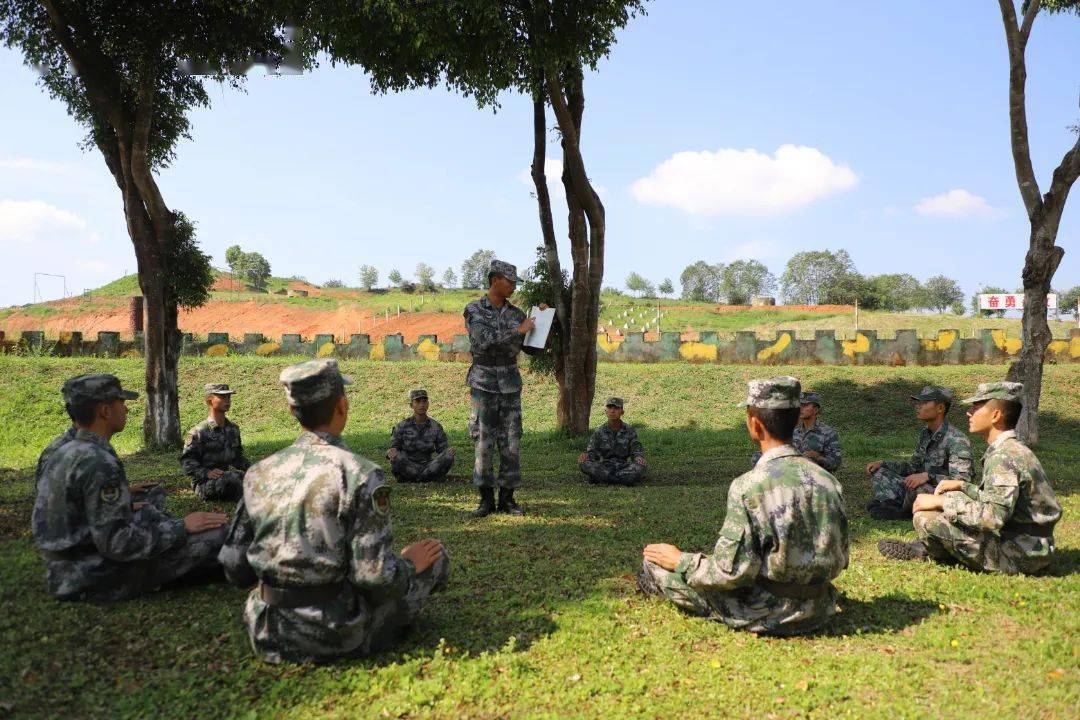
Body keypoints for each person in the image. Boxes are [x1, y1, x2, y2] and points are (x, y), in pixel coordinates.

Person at [219, 359, 449, 664]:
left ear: (292, 410)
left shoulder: (259, 473)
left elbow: (234, 566)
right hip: (336, 633)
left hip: (268, 632)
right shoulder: (360, 474)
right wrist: (407, 564)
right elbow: (375, 577)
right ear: (342, 406)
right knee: (435, 558)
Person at [638, 376, 848, 636]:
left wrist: (682, 561)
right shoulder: (829, 481)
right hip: (820, 607)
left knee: (655, 565)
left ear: (754, 424)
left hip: (770, 611)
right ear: (796, 421)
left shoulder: (749, 486)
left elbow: (730, 573)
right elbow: (840, 558)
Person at [32, 373, 227, 601]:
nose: (126, 409)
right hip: (93, 577)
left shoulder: (66, 451)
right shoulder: (98, 461)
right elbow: (119, 544)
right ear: (105, 411)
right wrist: (181, 527)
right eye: (122, 403)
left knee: (148, 512)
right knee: (217, 535)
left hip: (66, 570)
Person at [879, 382, 1062, 574]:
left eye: (977, 407)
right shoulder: (1010, 449)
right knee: (954, 498)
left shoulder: (1004, 457)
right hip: (1030, 546)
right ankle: (934, 548)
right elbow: (996, 499)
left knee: (926, 518)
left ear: (996, 415)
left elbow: (992, 518)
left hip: (1021, 555)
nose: (969, 412)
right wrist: (963, 486)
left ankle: (928, 550)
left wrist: (941, 502)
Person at [463, 259, 546, 517]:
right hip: (484, 383)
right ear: (495, 279)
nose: (513, 287)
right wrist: (518, 330)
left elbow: (531, 348)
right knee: (484, 442)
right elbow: (483, 340)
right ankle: (485, 500)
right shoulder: (474, 310)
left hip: (510, 384)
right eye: (510, 282)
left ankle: (508, 499)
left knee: (511, 443)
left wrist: (543, 321)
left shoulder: (516, 314)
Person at [865, 386, 973, 520]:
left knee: (918, 488)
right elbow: (912, 467)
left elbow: (962, 481)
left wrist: (929, 476)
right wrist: (884, 464)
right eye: (918, 402)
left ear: (940, 408)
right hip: (919, 487)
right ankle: (891, 505)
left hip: (940, 493)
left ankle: (901, 511)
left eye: (924, 403)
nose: (918, 406)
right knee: (880, 471)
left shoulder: (957, 440)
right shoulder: (925, 434)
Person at [180, 383, 251, 501]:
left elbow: (237, 459)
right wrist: (206, 472)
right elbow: (187, 462)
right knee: (234, 479)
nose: (227, 401)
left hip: (227, 479)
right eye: (222, 397)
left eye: (229, 397)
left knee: (252, 478)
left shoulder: (233, 429)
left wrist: (255, 469)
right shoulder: (199, 432)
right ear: (209, 401)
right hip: (204, 484)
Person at [750, 390, 842, 472]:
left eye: (805, 405)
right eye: (800, 405)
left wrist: (818, 458)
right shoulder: (792, 430)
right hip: (792, 473)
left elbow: (835, 463)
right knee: (758, 457)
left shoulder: (828, 433)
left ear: (815, 409)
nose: (801, 409)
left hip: (814, 477)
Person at [387, 389, 455, 482]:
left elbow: (442, 450)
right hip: (407, 465)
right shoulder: (402, 426)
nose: (422, 405)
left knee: (449, 455)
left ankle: (418, 478)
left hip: (428, 466)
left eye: (424, 401)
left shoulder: (435, 426)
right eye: (418, 402)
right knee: (396, 456)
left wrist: (449, 453)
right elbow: (394, 448)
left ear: (428, 404)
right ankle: (425, 478)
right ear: (411, 405)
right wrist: (391, 452)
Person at [578, 397, 647, 486]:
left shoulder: (629, 430)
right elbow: (592, 452)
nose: (612, 411)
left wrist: (638, 457)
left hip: (623, 466)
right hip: (604, 466)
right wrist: (586, 456)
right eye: (610, 408)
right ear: (605, 411)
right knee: (584, 463)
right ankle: (621, 479)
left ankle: (603, 478)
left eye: (616, 408)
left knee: (641, 465)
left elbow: (636, 449)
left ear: (622, 412)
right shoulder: (599, 431)